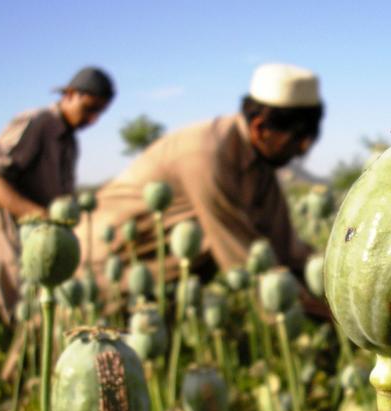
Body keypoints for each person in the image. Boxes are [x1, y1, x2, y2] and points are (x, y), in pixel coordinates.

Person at [77, 63, 327, 315]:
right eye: (299, 137)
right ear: (261, 128)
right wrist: (337, 320)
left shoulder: (260, 164)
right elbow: (247, 264)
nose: (303, 150)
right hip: (99, 278)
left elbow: (286, 248)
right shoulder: (206, 156)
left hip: (157, 291)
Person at [0, 67, 114, 324]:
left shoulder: (70, 141)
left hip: (45, 241)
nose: (93, 119)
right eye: (89, 109)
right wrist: (39, 216)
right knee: (22, 317)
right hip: (14, 237)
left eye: (99, 113)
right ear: (71, 94)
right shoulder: (40, 123)